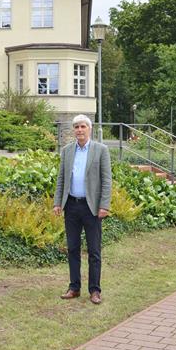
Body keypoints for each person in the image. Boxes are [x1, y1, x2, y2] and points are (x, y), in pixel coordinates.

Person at [53, 115, 112, 304]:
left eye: (83, 126)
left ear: (90, 129)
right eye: (76, 127)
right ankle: (74, 287)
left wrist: (104, 205)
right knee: (73, 248)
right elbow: (61, 178)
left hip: (92, 207)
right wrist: (57, 203)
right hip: (71, 205)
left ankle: (95, 290)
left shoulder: (100, 150)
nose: (79, 130)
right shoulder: (67, 151)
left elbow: (106, 180)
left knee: (94, 250)